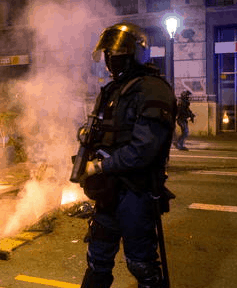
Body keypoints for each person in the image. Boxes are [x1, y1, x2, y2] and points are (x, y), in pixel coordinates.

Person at [75, 22, 177, 288]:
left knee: (141, 264)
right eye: (108, 53)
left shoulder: (153, 89)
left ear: (137, 53)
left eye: (118, 53)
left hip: (136, 192)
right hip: (108, 191)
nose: (111, 59)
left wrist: (98, 167)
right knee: (97, 259)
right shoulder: (112, 90)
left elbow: (143, 150)